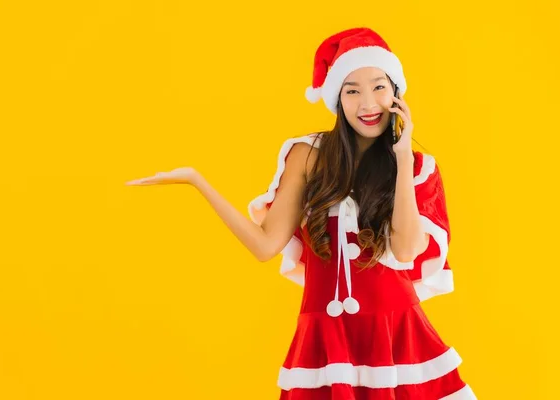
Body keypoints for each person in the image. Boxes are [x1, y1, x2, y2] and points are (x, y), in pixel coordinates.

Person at [126, 27, 476, 400]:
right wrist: (198, 182)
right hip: (324, 338)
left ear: (396, 93)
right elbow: (264, 246)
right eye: (352, 90)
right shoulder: (308, 155)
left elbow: (406, 251)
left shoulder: (417, 167)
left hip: (395, 334)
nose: (367, 103)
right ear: (337, 100)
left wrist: (402, 156)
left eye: (378, 87)